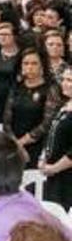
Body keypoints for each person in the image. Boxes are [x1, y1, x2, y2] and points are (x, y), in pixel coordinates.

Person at [4, 49, 62, 167]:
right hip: (13, 145)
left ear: (42, 66)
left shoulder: (51, 88)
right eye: (26, 63)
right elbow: (7, 120)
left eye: (34, 63)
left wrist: (22, 143)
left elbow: (48, 123)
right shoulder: (16, 87)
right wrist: (17, 145)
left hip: (38, 147)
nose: (29, 67)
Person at [39, 67, 72, 208]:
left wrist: (55, 168)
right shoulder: (64, 106)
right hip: (54, 175)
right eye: (63, 79)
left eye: (70, 80)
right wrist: (42, 158)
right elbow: (50, 134)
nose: (64, 83)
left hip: (67, 176)